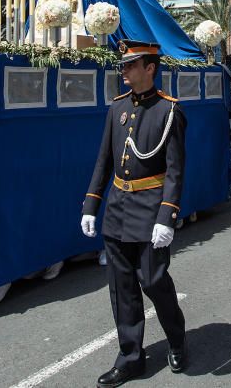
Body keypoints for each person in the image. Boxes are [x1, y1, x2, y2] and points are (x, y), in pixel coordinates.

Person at [80, 40, 188, 386]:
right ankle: (130, 357)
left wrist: (167, 216)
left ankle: (176, 338)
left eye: (130, 65)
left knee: (154, 282)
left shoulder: (169, 111)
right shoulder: (117, 108)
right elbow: (103, 160)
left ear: (150, 68)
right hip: (118, 210)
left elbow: (175, 170)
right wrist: (91, 205)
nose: (123, 71)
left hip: (150, 211)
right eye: (123, 66)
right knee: (121, 288)